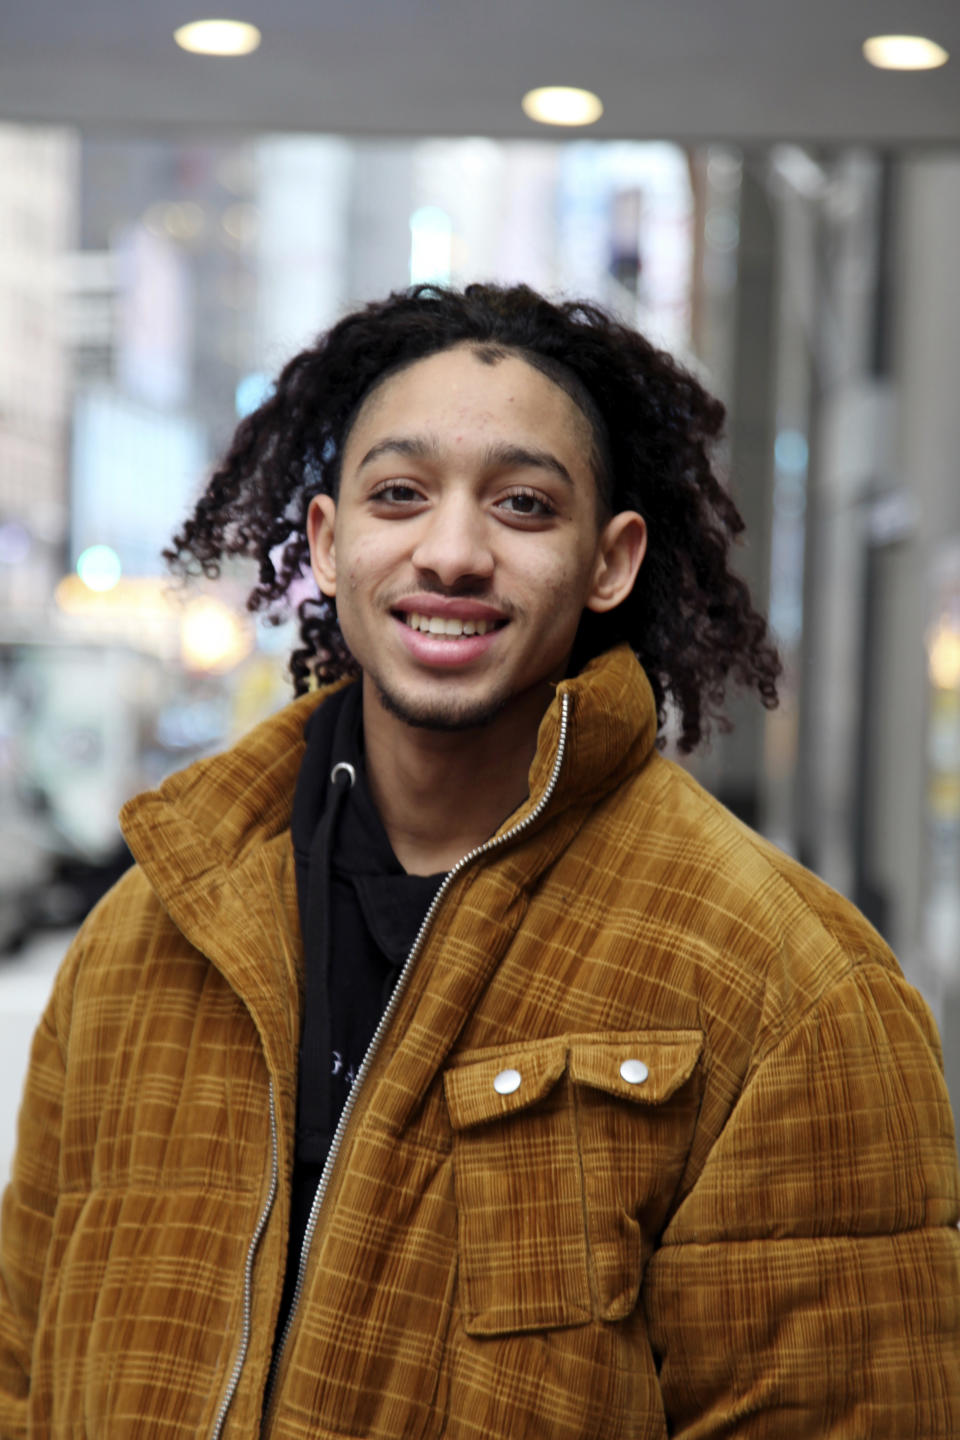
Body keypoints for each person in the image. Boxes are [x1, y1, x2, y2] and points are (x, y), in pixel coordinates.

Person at [2, 282, 958, 1440]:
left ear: (610, 563)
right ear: (328, 541)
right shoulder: (142, 939)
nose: (451, 552)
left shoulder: (790, 990)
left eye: (521, 505)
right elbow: (22, 1366)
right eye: (398, 495)